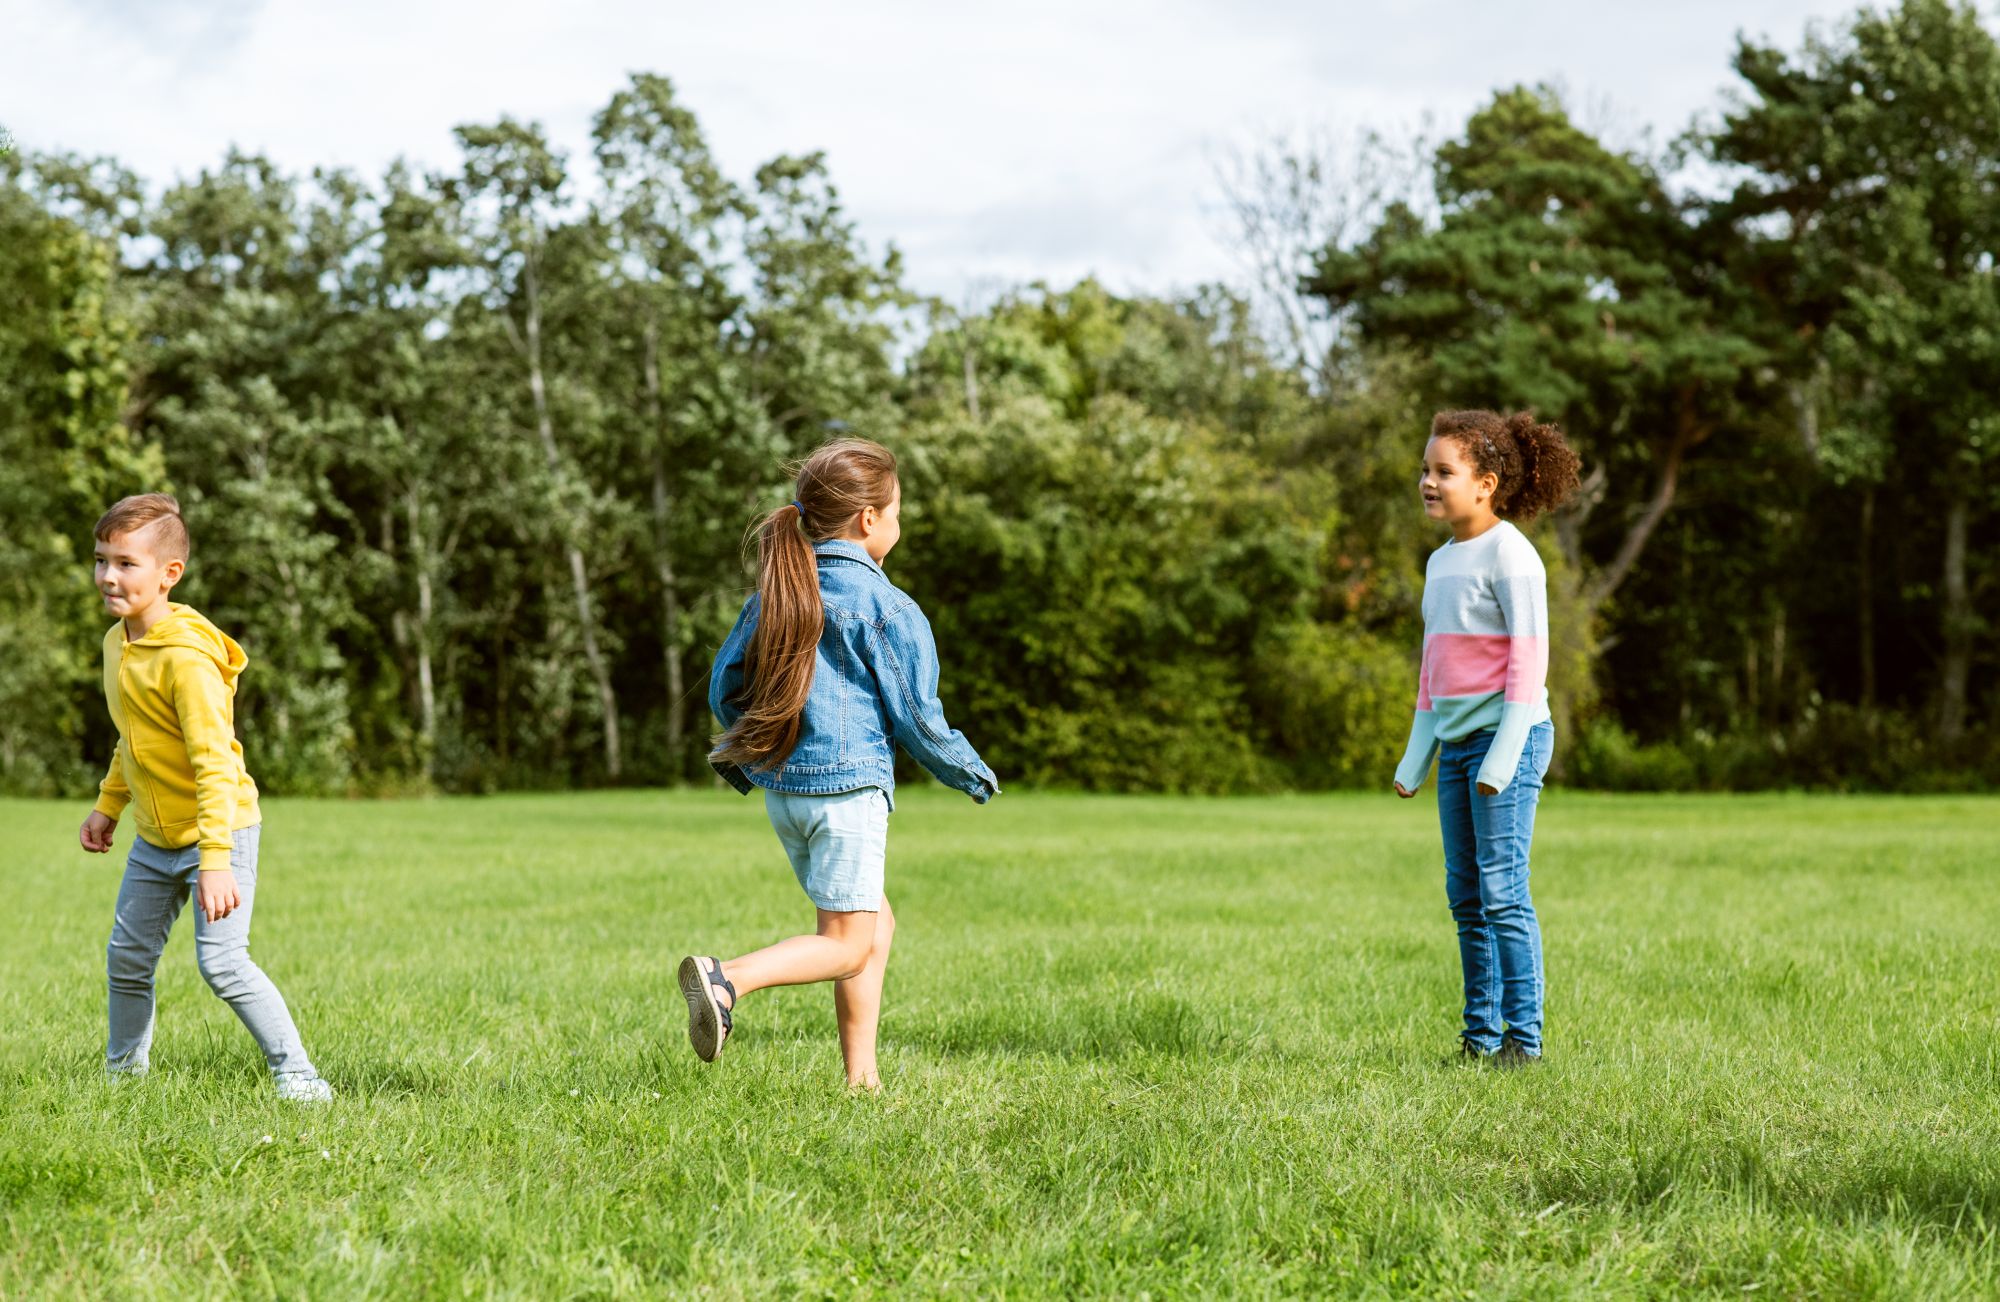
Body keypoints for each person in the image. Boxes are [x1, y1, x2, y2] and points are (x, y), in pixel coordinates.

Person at [680, 439, 997, 1090]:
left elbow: (724, 685)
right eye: (899, 510)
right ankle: (728, 978)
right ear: (869, 520)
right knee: (848, 943)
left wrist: (749, 756)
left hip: (786, 795)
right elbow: (917, 714)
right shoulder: (886, 607)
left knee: (875, 922)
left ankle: (862, 1079)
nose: (900, 524)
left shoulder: (775, 595)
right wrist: (969, 770)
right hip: (847, 795)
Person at [78, 494, 333, 1101]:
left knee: (222, 964)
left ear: (170, 574)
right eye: (101, 560)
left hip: (219, 833)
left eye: (126, 563)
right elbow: (133, 738)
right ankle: (123, 1083)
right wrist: (108, 805)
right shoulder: (119, 643)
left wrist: (215, 860)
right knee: (127, 960)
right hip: (154, 838)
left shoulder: (187, 660)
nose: (109, 576)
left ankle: (299, 1076)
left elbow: (214, 763)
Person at [1392, 411, 1582, 1068]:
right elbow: (1432, 672)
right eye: (1426, 470)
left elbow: (1529, 669)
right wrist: (1417, 756)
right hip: (1459, 747)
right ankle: (1478, 1040)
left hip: (1513, 740)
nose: (1429, 482)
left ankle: (1522, 1043)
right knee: (1466, 896)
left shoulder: (1512, 557)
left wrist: (1502, 758)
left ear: (1487, 483)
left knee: (1503, 892)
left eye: (1443, 471)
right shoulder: (1440, 563)